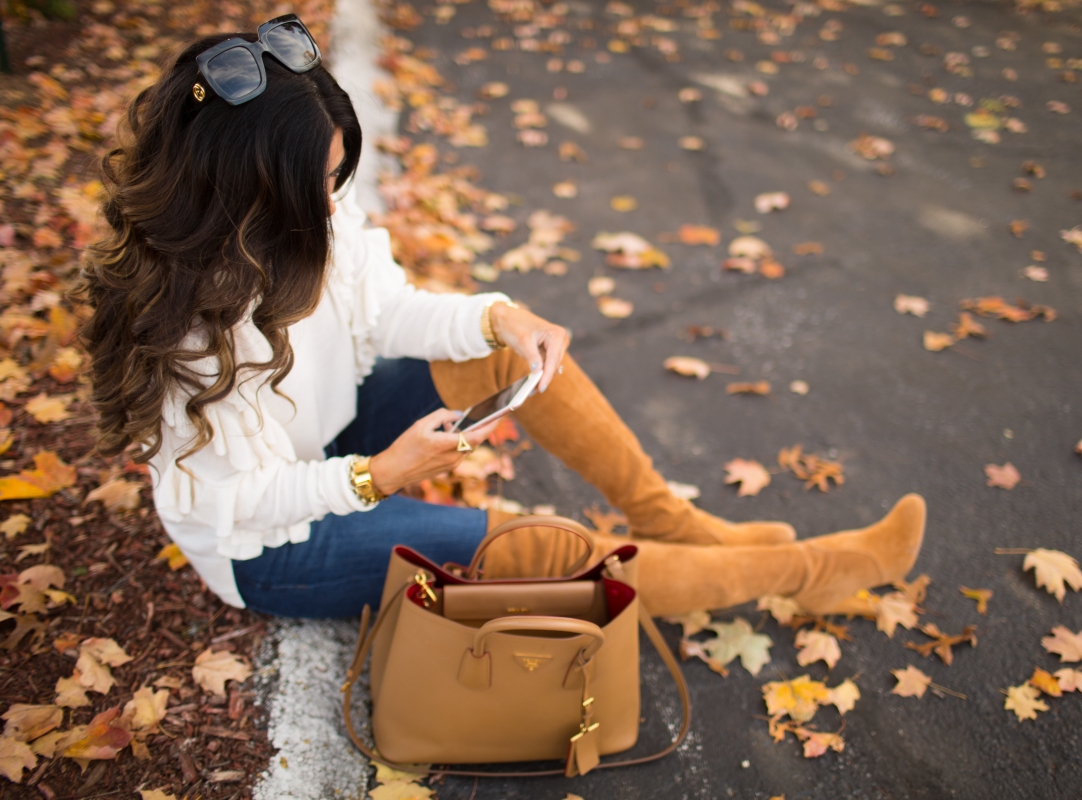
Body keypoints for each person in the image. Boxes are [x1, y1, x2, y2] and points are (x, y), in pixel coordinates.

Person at [78, 16, 926, 622]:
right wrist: (380, 474)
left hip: (330, 445)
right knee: (541, 550)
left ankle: (673, 523)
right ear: (250, 195)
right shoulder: (184, 333)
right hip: (276, 546)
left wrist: (500, 316)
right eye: (318, 185)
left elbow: (389, 310)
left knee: (505, 355)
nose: (336, 203)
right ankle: (807, 573)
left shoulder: (309, 227)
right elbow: (248, 502)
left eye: (340, 176)